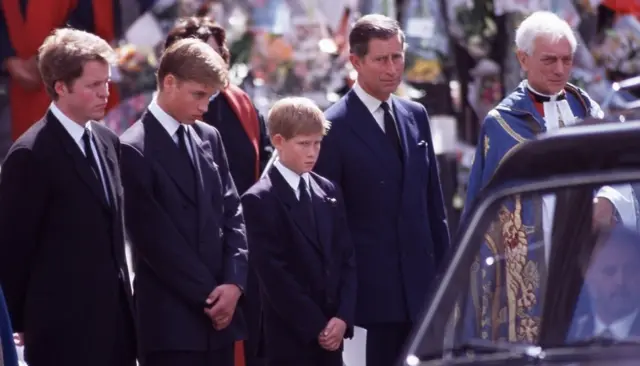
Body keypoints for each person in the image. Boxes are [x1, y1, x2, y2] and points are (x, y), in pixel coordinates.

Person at [314, 14, 451, 366]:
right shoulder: (333, 126)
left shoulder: (415, 114)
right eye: (381, 59)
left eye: (397, 56)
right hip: (369, 301)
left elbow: (433, 207)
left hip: (422, 292)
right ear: (356, 62)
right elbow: (329, 227)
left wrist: (448, 280)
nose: (392, 68)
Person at [462, 11, 604, 342]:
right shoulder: (501, 126)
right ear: (523, 59)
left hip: (589, 260)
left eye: (567, 60)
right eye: (549, 60)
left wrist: (608, 200)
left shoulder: (590, 113)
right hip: (528, 267)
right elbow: (482, 212)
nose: (560, 70)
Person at [0, 28, 136, 366]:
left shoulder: (108, 141)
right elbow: (13, 249)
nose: (105, 93)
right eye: (93, 85)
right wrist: (17, 324)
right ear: (61, 87)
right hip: (61, 334)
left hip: (116, 329)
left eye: (106, 81)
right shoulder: (31, 154)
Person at [120, 38, 248, 366]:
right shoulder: (133, 148)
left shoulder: (209, 137)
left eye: (209, 97)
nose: (205, 106)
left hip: (221, 320)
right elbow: (156, 243)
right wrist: (213, 298)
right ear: (169, 82)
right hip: (171, 326)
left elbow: (232, 212)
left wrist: (234, 282)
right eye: (198, 95)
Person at [164, 18, 272, 365]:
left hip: (246, 251)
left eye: (216, 54)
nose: (211, 62)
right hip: (195, 264)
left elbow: (265, 165)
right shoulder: (170, 120)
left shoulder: (243, 105)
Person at [242, 97, 356, 366]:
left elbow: (347, 258)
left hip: (333, 334)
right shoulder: (259, 199)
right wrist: (317, 326)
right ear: (279, 141)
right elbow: (274, 275)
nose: (312, 152)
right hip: (289, 339)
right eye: (304, 144)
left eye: (317, 143)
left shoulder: (328, 190)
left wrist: (342, 317)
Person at [0, 0, 124, 141]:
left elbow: (95, 21)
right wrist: (7, 58)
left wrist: (48, 55)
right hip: (24, 91)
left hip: (80, 83)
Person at [570, 226, 640, 340]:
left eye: (630, 270)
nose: (620, 281)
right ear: (587, 274)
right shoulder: (571, 334)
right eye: (610, 271)